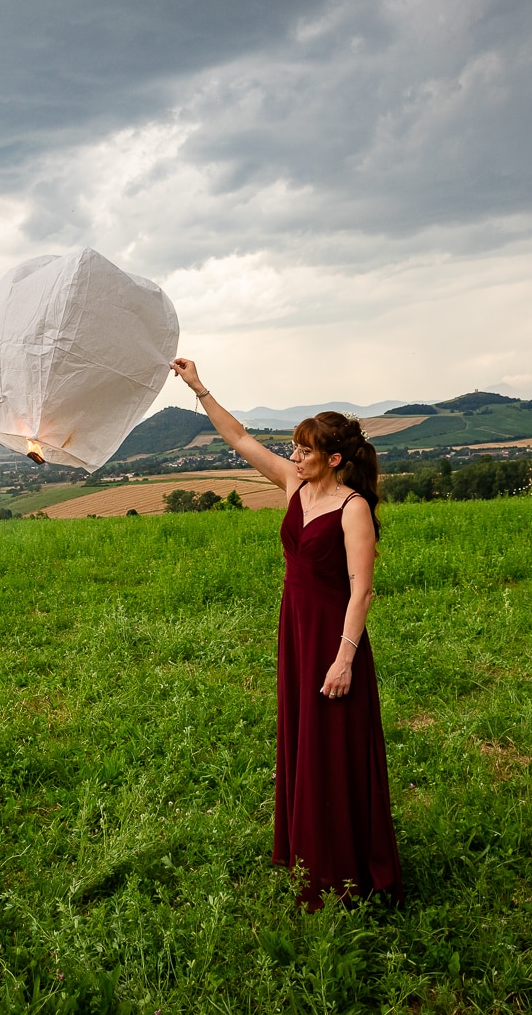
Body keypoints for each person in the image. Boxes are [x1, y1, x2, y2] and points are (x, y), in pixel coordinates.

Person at [169, 359, 403, 908]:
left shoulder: (353, 509)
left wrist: (344, 660)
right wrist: (199, 387)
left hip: (332, 637)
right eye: (294, 449)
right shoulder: (293, 485)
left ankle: (343, 869)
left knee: (333, 745)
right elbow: (239, 436)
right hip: (295, 629)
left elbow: (361, 591)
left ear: (334, 459)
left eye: (304, 450)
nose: (294, 456)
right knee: (303, 738)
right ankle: (308, 853)